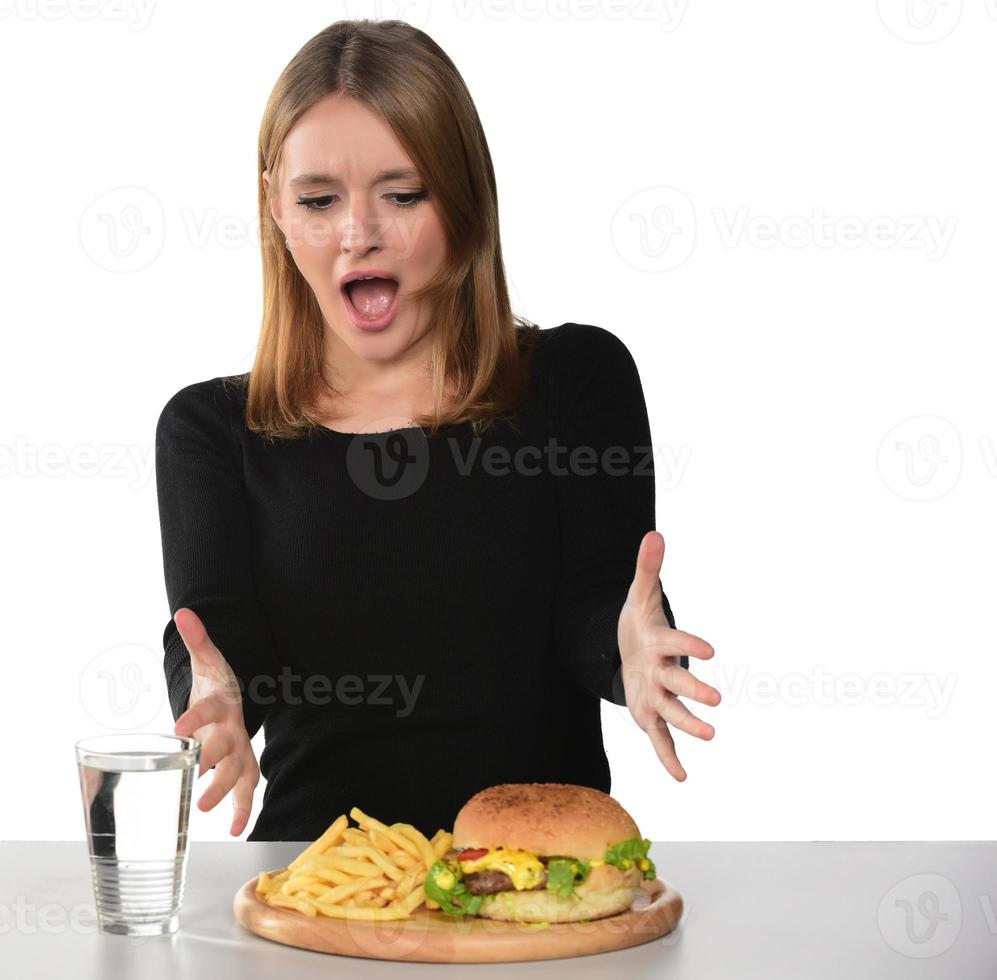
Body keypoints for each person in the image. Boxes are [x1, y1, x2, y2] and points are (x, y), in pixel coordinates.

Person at [154, 19, 719, 842]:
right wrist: (212, 699)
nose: (358, 233)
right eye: (318, 199)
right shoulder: (210, 430)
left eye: (402, 193)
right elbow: (218, 641)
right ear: (274, 204)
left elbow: (599, 599)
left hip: (533, 896)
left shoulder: (574, 381)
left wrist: (629, 648)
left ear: (461, 198)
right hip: (317, 894)